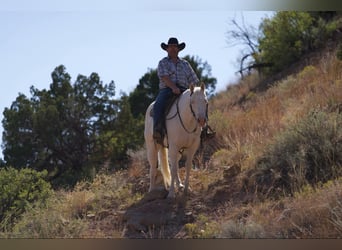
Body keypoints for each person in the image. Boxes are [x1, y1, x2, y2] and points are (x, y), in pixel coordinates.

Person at [153, 37, 215, 144]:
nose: (173, 49)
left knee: (202, 102)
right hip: (167, 89)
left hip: (185, 90)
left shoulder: (185, 64)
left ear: (178, 49)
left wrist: (195, 92)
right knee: (158, 104)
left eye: (175, 47)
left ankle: (204, 129)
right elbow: (164, 77)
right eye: (171, 47)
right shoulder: (163, 63)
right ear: (167, 49)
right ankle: (158, 130)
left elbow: (193, 79)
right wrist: (173, 88)